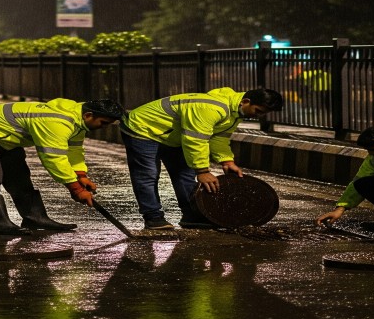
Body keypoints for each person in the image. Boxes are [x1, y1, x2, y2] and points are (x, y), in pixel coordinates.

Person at [0, 98, 126, 236]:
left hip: (4, 138)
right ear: (89, 115)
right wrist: (76, 189)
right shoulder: (57, 122)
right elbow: (54, 157)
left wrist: (81, 175)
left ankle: (36, 219)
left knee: (19, 179)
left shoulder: (77, 120)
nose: (103, 127)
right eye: (103, 123)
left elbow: (73, 149)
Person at [120, 87, 284, 230]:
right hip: (143, 128)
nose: (258, 116)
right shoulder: (211, 108)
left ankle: (192, 215)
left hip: (171, 134)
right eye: (258, 111)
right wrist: (203, 170)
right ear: (246, 101)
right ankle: (153, 217)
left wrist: (226, 161)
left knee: (183, 173)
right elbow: (196, 139)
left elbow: (219, 137)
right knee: (148, 174)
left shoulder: (234, 113)